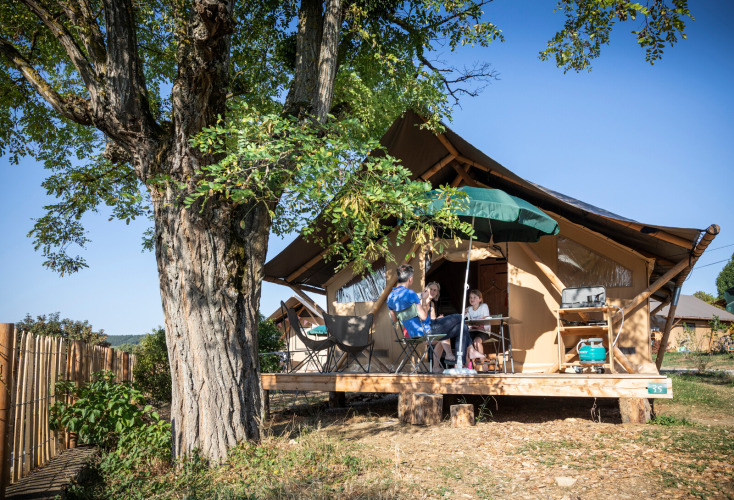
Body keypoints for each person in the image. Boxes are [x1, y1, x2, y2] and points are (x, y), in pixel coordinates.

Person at [387, 264, 483, 372]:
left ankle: (459, 364)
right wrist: (424, 299)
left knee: (461, 327)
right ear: (410, 279)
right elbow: (424, 317)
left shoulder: (390, 297)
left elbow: (395, 320)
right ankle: (470, 350)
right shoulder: (410, 294)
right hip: (427, 330)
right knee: (459, 317)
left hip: (413, 333)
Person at [465, 289, 491, 364]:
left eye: (474, 297)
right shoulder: (469, 309)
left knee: (477, 342)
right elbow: (462, 318)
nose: (472, 299)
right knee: (465, 343)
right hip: (472, 331)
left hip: (483, 331)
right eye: (470, 297)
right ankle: (468, 366)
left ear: (480, 299)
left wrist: (475, 320)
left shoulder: (484, 306)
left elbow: (486, 317)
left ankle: (483, 363)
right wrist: (464, 313)